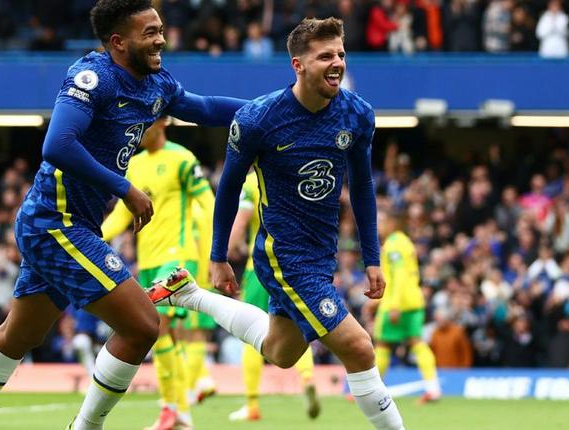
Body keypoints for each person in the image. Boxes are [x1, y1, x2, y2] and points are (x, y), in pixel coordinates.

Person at [0, 1, 245, 429]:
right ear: (118, 42)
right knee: (143, 325)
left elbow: (205, 109)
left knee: (21, 334)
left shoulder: (156, 84)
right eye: (149, 32)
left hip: (75, 224)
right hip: (54, 222)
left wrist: (275, 110)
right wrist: (126, 189)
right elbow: (57, 144)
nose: (161, 39)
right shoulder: (92, 77)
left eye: (160, 29)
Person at [148, 17, 405, 430]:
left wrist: (371, 256)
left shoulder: (357, 115)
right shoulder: (259, 120)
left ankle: (188, 295)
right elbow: (229, 188)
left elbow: (362, 186)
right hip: (284, 255)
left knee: (281, 352)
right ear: (298, 65)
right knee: (359, 347)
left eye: (340, 53)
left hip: (322, 255)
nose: (337, 62)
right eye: (325, 56)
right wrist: (218, 256)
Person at [101, 116, 216, 430]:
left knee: (161, 326)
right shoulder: (134, 165)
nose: (138, 130)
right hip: (148, 260)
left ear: (163, 121)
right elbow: (123, 212)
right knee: (164, 334)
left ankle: (172, 408)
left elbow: (208, 204)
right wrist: (94, 236)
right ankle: (180, 411)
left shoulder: (182, 159)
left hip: (178, 259)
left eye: (144, 123)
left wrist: (211, 257)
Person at [226, 170, 320, 422]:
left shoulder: (252, 181)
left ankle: (252, 404)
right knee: (299, 329)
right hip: (295, 267)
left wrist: (225, 252)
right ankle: (308, 378)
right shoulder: (293, 173)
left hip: (261, 269)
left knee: (251, 334)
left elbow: (242, 220)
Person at [363, 210, 441, 404]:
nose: (378, 227)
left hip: (397, 304)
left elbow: (398, 276)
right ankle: (433, 388)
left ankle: (372, 391)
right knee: (417, 342)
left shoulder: (394, 244)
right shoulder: (406, 243)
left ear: (392, 224)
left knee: (382, 344)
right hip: (414, 301)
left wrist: (394, 304)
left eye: (382, 222)